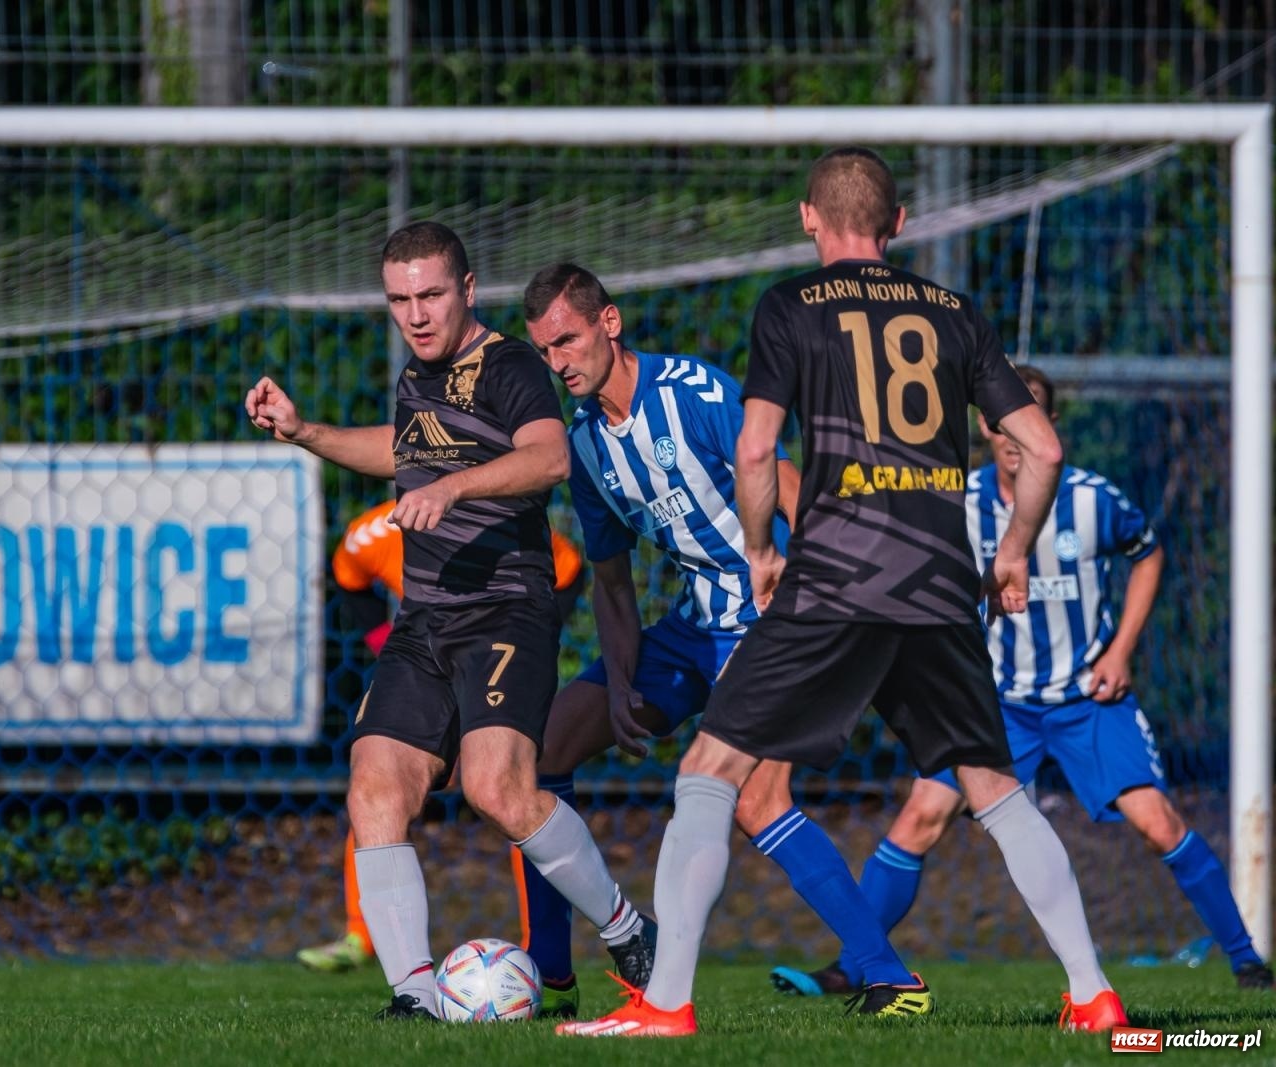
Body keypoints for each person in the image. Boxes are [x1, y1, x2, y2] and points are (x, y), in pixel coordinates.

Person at [560, 147, 1124, 1038]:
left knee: (708, 775)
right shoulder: (955, 312)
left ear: (808, 219)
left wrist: (757, 548)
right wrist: (1012, 550)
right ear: (898, 225)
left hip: (836, 577)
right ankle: (1095, 993)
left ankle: (666, 1003)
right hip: (941, 583)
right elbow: (1044, 449)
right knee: (994, 788)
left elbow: (755, 450)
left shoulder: (789, 307)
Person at [246, 221, 655, 1020]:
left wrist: (454, 488)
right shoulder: (416, 377)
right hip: (426, 618)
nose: (416, 314)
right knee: (373, 787)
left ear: (468, 290)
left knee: (496, 788)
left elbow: (548, 458)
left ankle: (629, 930)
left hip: (505, 606)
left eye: (431, 294)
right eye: (400, 299)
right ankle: (413, 996)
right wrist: (306, 433)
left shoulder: (509, 368)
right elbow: (400, 451)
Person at [768, 365, 1275, 997]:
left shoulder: (1092, 500)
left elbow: (1149, 554)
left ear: (1049, 425)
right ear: (985, 426)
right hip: (1001, 705)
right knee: (921, 814)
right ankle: (856, 965)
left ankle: (1246, 960)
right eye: (1002, 420)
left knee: (1158, 822)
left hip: (1086, 701)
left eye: (1028, 416)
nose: (1014, 434)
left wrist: (1120, 652)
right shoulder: (960, 502)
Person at [517, 262, 899, 1020]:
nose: (559, 362)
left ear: (609, 324)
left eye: (567, 340)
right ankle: (549, 977)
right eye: (545, 351)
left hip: (772, 620)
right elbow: (612, 580)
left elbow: (787, 481)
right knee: (541, 751)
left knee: (759, 799)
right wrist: (621, 680)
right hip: (695, 628)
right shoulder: (585, 444)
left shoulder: (691, 393)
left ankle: (888, 976)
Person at [297, 499, 585, 974]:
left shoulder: (498, 517)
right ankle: (361, 936)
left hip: (498, 662)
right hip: (425, 669)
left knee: (509, 795)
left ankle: (549, 945)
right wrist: (384, 645)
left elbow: (570, 568)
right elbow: (347, 573)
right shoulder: (372, 532)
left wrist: (539, 637)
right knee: (376, 790)